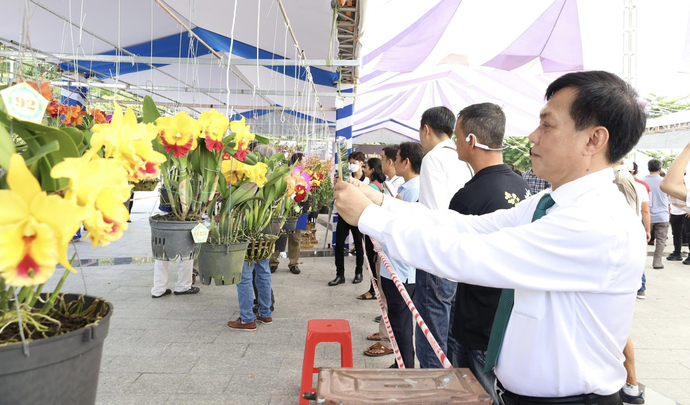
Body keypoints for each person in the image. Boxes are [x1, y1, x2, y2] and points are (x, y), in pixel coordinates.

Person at [335, 70, 646, 403]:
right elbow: (466, 226)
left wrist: (369, 218)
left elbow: (472, 253)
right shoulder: (550, 203)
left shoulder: (596, 221)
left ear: (594, 140)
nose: (533, 136)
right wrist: (380, 204)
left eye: (547, 125)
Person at [448, 102, 529, 404]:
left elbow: (448, 256)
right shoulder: (524, 189)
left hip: (476, 321)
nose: (455, 143)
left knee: (473, 396)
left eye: (457, 136)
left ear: (471, 141)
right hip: (510, 316)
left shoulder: (469, 197)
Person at [415, 106, 472, 369]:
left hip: (436, 258)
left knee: (431, 340)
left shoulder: (433, 159)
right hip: (459, 257)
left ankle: (433, 394)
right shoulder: (464, 158)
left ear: (427, 129)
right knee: (448, 335)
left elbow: (432, 215)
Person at [376, 142, 422, 368]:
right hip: (395, 267)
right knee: (397, 321)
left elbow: (407, 230)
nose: (392, 162)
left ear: (407, 162)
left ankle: (405, 367)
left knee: (402, 323)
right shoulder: (405, 188)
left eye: (398, 158)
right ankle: (401, 362)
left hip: (401, 271)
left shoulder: (413, 189)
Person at [330, 151, 367, 286]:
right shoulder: (345, 177)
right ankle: (340, 274)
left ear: (362, 164)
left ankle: (359, 272)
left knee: (359, 245)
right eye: (350, 163)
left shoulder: (366, 180)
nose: (352, 166)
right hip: (344, 215)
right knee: (339, 245)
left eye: (355, 163)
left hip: (358, 217)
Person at [270, 152, 306, 275]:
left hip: (299, 208)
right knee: (277, 235)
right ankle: (273, 261)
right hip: (283, 209)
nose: (305, 163)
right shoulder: (286, 173)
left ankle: (293, 263)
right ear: (298, 161)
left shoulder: (305, 175)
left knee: (296, 238)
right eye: (304, 161)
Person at [358, 157, 386, 300]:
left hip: (371, 227)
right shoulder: (377, 184)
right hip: (374, 227)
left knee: (371, 258)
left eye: (366, 167)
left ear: (372, 170)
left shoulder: (373, 187)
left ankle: (373, 290)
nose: (364, 170)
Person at [644, 159, 669, 269]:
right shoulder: (665, 181)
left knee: (643, 239)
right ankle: (657, 262)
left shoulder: (642, 182)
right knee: (661, 240)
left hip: (646, 215)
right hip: (662, 215)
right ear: (660, 169)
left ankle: (640, 262)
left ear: (648, 168)